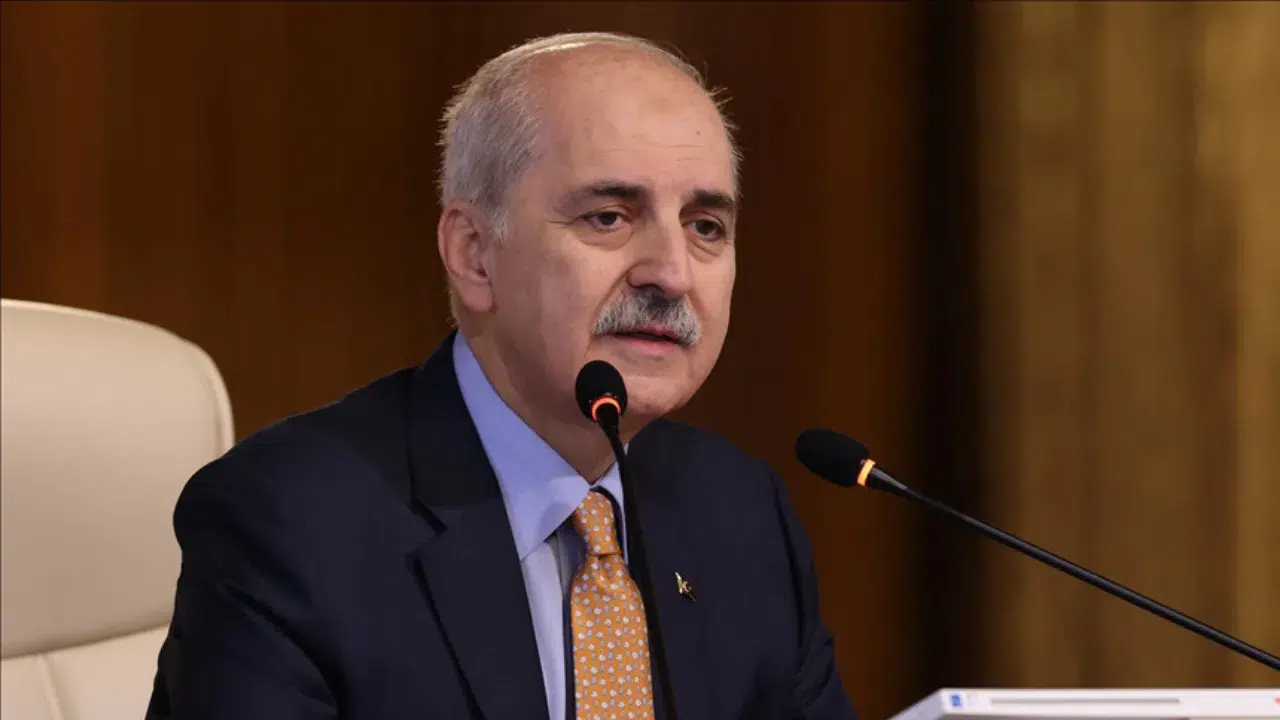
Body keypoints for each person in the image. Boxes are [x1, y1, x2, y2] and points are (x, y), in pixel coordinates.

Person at [147, 31, 856, 720]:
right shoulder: (288, 521)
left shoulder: (741, 511)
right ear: (474, 254)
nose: (671, 274)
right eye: (609, 217)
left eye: (705, 227)